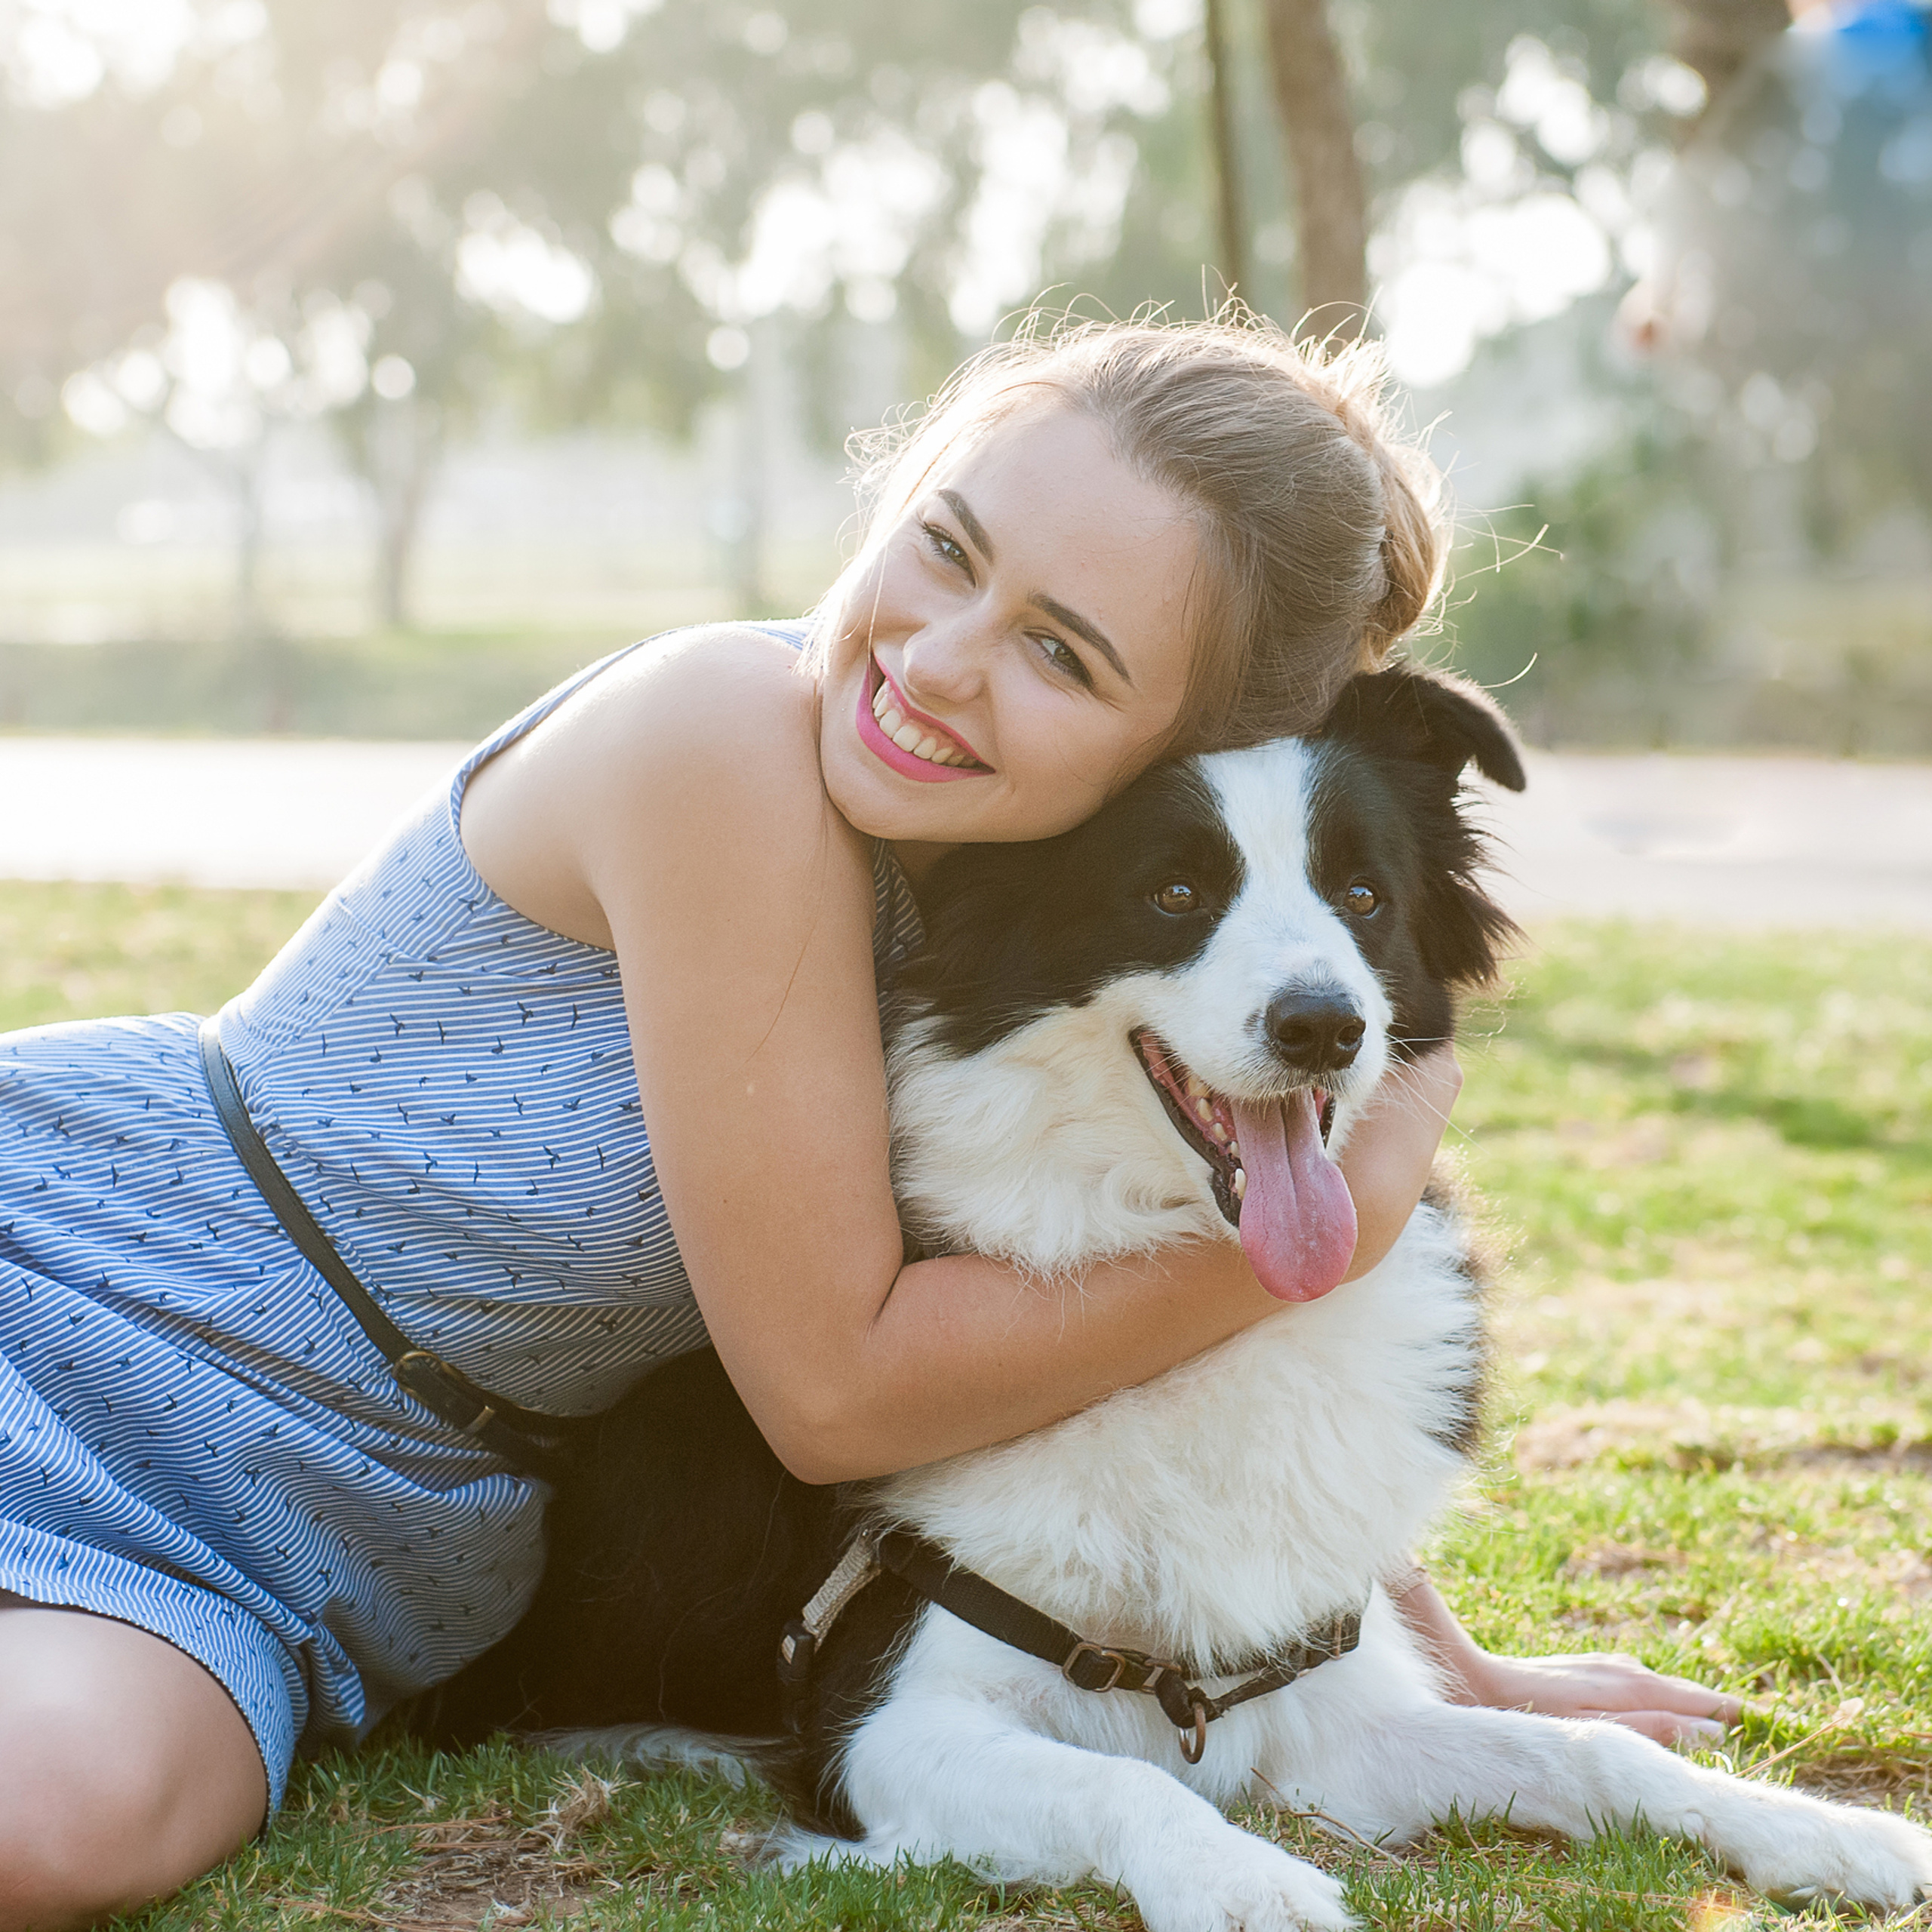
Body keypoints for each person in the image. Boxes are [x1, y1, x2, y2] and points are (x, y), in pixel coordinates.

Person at [0, 315, 1737, 1932]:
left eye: (1059, 653)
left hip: (346, 1518)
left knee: (62, 1820)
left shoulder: (1043, 928)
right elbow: (838, 1388)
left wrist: (1403, 1643)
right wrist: (1332, 1227)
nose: (939, 658)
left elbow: (1184, 1326)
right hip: (85, 1289)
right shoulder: (730, 738)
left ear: (1184, 753)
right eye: (944, 544)